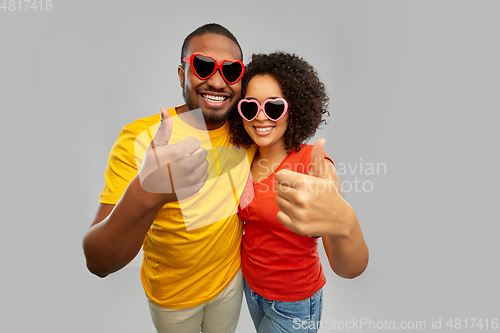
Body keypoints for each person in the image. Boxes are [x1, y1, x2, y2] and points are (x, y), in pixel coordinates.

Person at [83, 23, 349, 333]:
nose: (217, 81)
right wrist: (148, 191)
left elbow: (283, 139)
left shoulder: (247, 126)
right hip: (172, 299)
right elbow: (98, 262)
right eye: (203, 65)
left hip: (232, 285)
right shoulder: (140, 139)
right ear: (182, 73)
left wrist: (326, 172)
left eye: (232, 71)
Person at [229, 52, 369, 332]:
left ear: (293, 110)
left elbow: (349, 268)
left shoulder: (311, 164)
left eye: (273, 107)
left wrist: (346, 222)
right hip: (252, 290)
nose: (259, 117)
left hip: (293, 304)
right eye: (250, 107)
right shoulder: (245, 157)